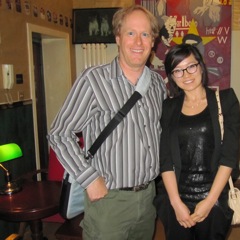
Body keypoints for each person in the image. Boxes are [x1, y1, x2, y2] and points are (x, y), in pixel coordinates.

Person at [48, 5, 167, 240]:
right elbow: (59, 134)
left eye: (145, 34)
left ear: (153, 42)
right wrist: (89, 179)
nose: (139, 42)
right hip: (108, 202)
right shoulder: (93, 80)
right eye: (131, 33)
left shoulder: (157, 85)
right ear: (118, 38)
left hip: (148, 198)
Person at [153, 44, 240, 240]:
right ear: (171, 76)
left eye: (191, 66)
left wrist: (209, 202)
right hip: (177, 195)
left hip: (214, 195)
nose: (186, 74)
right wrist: (176, 204)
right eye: (178, 70)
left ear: (201, 66)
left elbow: (228, 157)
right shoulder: (168, 108)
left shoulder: (226, 101)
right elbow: (165, 159)